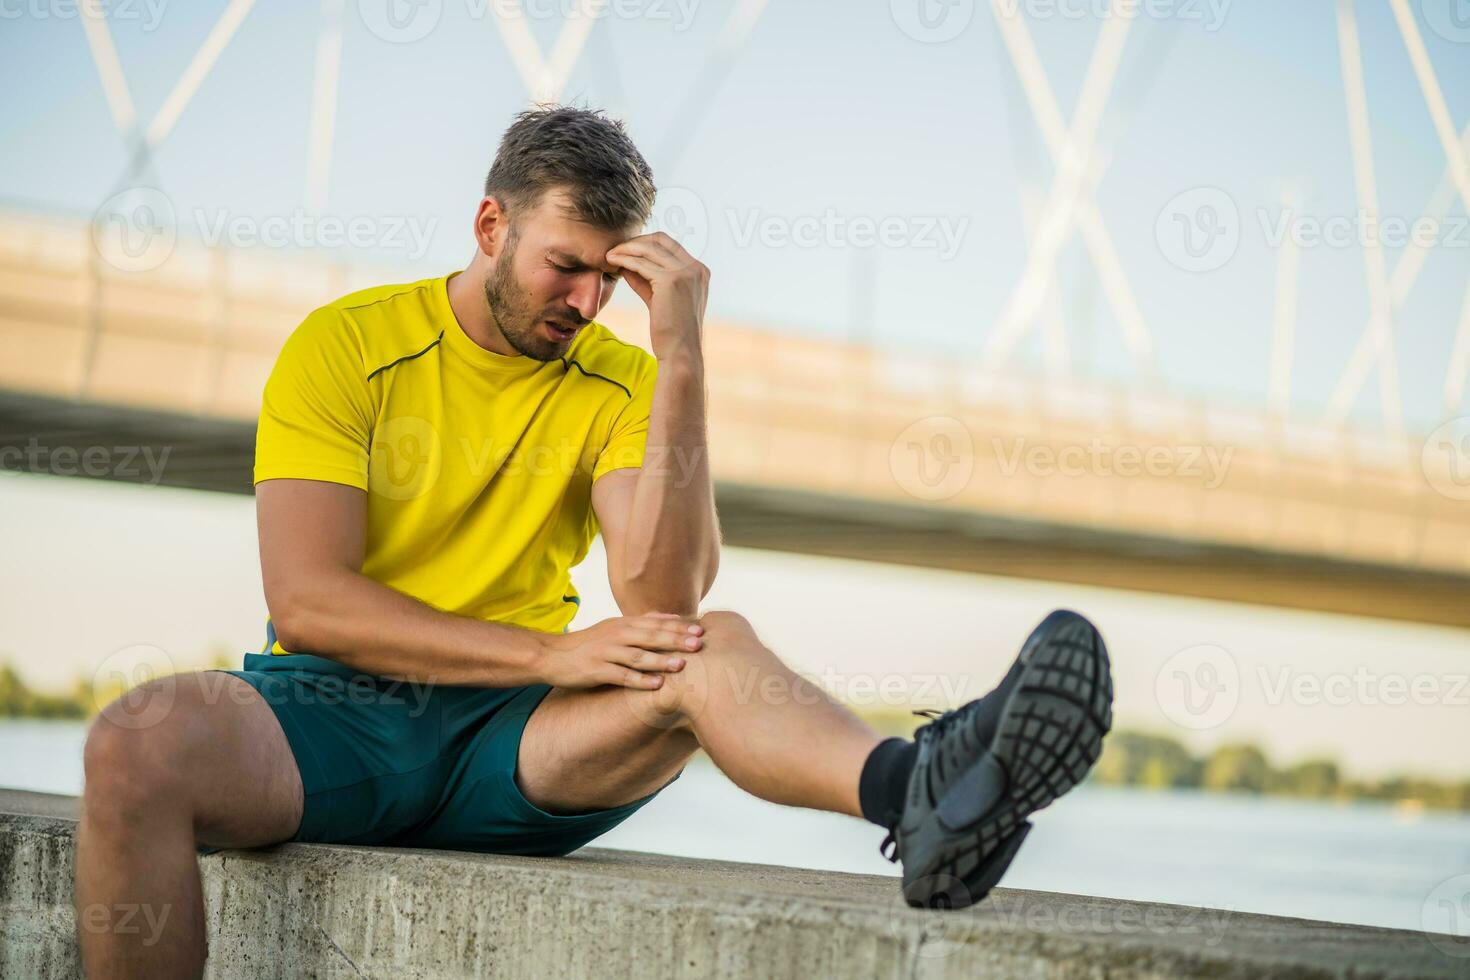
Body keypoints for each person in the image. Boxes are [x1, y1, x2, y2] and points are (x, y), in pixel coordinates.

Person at [74, 106, 1113, 979]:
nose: (584, 302)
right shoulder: (347, 347)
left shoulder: (621, 377)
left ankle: (920, 792)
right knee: (135, 743)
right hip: (334, 717)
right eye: (564, 267)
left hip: (520, 746)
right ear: (490, 224)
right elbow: (310, 600)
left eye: (608, 279)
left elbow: (664, 592)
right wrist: (544, 653)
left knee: (709, 640)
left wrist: (682, 360)